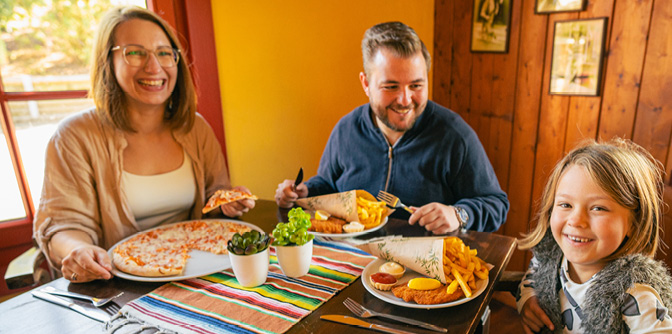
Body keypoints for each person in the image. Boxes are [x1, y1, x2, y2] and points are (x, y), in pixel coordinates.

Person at [450, 139, 672, 334]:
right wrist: (527, 298)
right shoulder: (553, 256)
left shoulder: (632, 294)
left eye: (598, 208)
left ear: (633, 225)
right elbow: (533, 274)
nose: (576, 221)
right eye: (565, 204)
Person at [33, 6, 254, 283]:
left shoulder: (196, 127)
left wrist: (226, 203)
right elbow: (64, 227)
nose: (154, 67)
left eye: (164, 53)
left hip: (199, 274)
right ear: (107, 62)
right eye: (135, 52)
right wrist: (79, 250)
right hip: (115, 286)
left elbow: (214, 196)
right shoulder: (74, 136)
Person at [274, 21, 508, 234]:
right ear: (366, 84)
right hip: (349, 262)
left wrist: (459, 214)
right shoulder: (346, 130)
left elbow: (496, 204)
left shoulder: (456, 136)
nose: (405, 100)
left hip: (423, 273)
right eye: (391, 87)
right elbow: (328, 184)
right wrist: (304, 192)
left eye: (416, 85)